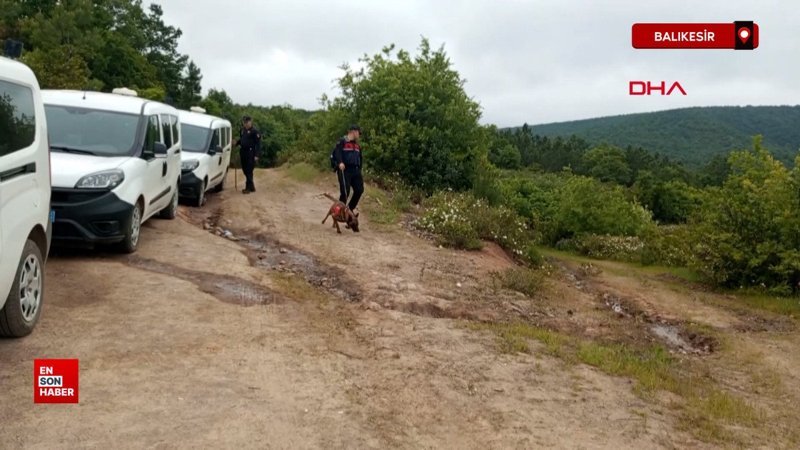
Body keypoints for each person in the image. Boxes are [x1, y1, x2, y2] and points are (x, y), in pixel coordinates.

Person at [332, 125, 364, 213]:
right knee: (345, 192)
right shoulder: (342, 141)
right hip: (344, 169)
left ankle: (349, 209)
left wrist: (359, 169)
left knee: (359, 190)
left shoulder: (357, 145)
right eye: (358, 132)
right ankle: (338, 211)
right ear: (353, 131)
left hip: (356, 170)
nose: (359, 135)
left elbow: (360, 158)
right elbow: (337, 152)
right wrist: (340, 162)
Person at [233, 116, 262, 194]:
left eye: (247, 122)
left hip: (250, 153)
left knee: (249, 170)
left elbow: (258, 144)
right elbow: (242, 139)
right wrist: (236, 142)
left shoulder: (255, 131)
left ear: (250, 122)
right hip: (243, 152)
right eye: (244, 122)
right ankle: (252, 186)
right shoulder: (242, 130)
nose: (245, 124)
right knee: (245, 170)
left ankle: (248, 188)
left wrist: (257, 155)